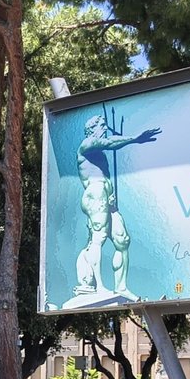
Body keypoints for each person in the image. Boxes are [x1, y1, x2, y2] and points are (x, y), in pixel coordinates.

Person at [75, 111, 160, 300]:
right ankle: (99, 287)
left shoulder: (98, 152)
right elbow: (109, 143)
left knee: (122, 240)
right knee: (99, 237)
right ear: (91, 129)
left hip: (107, 197)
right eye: (101, 125)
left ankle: (121, 287)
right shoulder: (87, 144)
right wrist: (134, 139)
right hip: (95, 194)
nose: (104, 128)